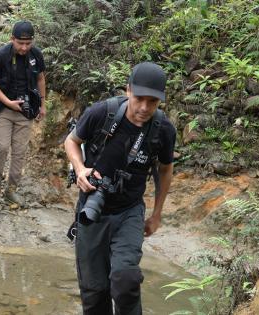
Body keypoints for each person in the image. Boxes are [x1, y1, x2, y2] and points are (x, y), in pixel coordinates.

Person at [64, 62, 176, 314]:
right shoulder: (101, 113)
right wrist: (81, 169)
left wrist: (157, 214)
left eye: (153, 102)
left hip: (129, 212)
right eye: (139, 99)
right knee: (94, 293)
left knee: (126, 279)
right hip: (91, 211)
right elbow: (71, 141)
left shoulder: (163, 130)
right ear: (127, 90)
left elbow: (166, 169)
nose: (144, 108)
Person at [0, 20, 47, 205]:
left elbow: (41, 79)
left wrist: (42, 104)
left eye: (28, 43)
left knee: (19, 151)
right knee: (1, 147)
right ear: (12, 39)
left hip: (26, 111)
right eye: (20, 43)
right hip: (2, 109)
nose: (24, 47)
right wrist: (8, 103)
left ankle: (11, 189)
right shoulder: (1, 56)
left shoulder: (36, 54)